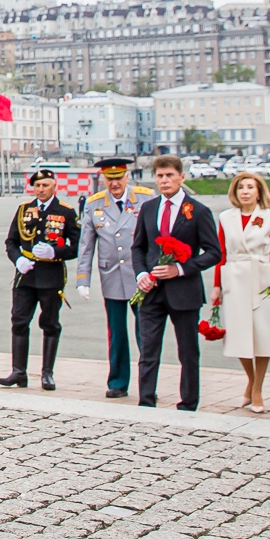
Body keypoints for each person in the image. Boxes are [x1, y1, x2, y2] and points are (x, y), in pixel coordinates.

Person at [131, 155, 220, 411]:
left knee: (188, 352)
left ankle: (188, 402)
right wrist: (141, 275)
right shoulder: (148, 208)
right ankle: (146, 400)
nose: (165, 180)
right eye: (160, 176)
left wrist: (180, 269)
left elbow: (213, 252)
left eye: (170, 175)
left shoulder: (198, 211)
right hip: (152, 291)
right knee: (148, 350)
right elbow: (138, 248)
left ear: (182, 177)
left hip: (184, 291)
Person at [75, 157, 155, 399]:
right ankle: (118, 381)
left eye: (118, 178)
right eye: (109, 179)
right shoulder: (94, 204)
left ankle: (148, 384)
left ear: (127, 177)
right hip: (112, 276)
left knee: (147, 334)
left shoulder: (146, 198)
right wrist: (82, 279)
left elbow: (155, 237)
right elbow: (86, 245)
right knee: (117, 333)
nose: (114, 184)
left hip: (141, 277)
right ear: (103, 180)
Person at [0, 169, 80, 391]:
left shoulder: (65, 212)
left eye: (45, 185)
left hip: (51, 276)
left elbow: (77, 246)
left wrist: (56, 252)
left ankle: (47, 373)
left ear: (54, 186)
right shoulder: (24, 210)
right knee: (19, 321)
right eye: (37, 186)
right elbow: (11, 242)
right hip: (26, 275)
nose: (41, 190)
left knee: (50, 324)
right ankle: (18, 371)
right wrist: (18, 260)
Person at [214, 171, 270, 413]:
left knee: (263, 334)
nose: (245, 191)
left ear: (259, 191)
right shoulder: (225, 218)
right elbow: (221, 253)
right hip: (234, 276)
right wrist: (216, 286)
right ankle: (251, 379)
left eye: (250, 187)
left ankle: (257, 389)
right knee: (238, 334)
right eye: (240, 187)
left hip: (264, 276)